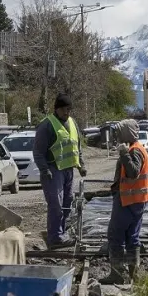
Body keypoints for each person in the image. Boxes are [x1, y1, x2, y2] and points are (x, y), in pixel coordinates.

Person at [100, 119, 148, 285]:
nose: (117, 137)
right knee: (132, 237)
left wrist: (123, 153)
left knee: (115, 235)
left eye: (119, 133)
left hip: (128, 202)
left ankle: (117, 274)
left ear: (126, 133)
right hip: (135, 201)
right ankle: (134, 275)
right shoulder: (137, 149)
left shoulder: (133, 151)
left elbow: (132, 172)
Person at [33, 93, 86, 248]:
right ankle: (55, 237)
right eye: (64, 109)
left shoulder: (72, 123)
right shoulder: (47, 125)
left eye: (69, 109)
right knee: (56, 204)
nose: (66, 112)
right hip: (53, 170)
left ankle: (62, 234)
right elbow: (38, 152)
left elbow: (77, 146)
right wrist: (44, 170)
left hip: (68, 170)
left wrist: (81, 165)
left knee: (67, 203)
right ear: (57, 109)